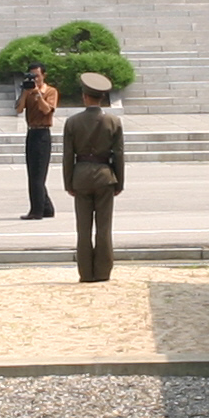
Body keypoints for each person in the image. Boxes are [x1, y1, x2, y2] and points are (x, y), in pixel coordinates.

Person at [61, 72, 124, 283]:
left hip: (81, 177)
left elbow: (68, 155)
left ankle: (86, 273)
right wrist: (119, 181)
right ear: (102, 98)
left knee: (83, 229)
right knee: (104, 228)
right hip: (105, 176)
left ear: (84, 96)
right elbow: (119, 154)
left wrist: (68, 182)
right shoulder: (113, 121)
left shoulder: (72, 122)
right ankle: (103, 272)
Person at [17, 60, 60, 220]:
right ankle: (47, 207)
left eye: (37, 76)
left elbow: (46, 110)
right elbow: (19, 109)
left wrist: (37, 93)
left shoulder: (50, 91)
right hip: (31, 133)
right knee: (33, 173)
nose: (35, 79)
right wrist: (25, 93)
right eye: (32, 76)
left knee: (38, 175)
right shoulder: (28, 91)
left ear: (44, 75)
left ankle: (37, 211)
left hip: (43, 134)